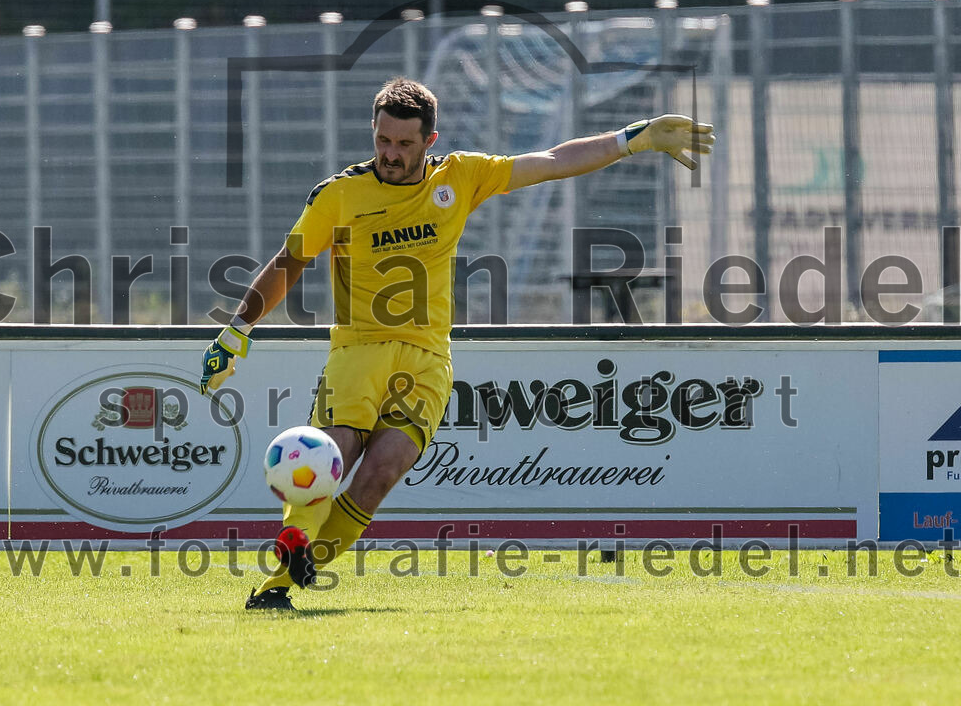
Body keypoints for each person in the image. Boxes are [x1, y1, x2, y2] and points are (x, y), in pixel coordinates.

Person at [199, 77, 714, 610]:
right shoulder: (341, 194)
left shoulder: (462, 177)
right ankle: (294, 549)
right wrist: (236, 330)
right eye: (382, 140)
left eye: (403, 144)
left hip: (428, 360)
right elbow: (290, 262)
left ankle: (287, 574)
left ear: (430, 141)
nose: (390, 154)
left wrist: (633, 139)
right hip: (359, 350)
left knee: (380, 474)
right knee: (335, 450)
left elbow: (554, 160)